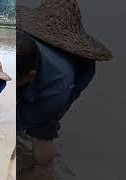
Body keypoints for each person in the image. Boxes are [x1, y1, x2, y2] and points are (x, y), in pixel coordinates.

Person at [17, 0, 112, 177]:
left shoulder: (57, 88)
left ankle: (43, 168)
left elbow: (31, 118)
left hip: (68, 79)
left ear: (30, 76)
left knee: (42, 130)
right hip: (33, 61)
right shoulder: (20, 42)